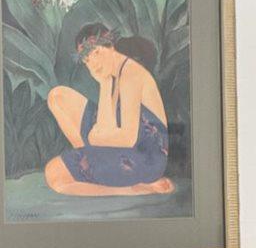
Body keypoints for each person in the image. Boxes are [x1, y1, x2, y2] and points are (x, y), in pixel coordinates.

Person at [42, 24, 173, 196]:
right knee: (57, 96)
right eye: (86, 60)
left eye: (96, 53)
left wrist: (94, 137)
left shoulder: (130, 75)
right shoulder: (113, 73)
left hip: (145, 158)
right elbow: (107, 125)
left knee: (54, 173)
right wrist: (104, 84)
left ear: (110, 46)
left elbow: (127, 138)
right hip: (123, 146)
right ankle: (94, 165)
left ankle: (132, 189)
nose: (93, 64)